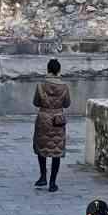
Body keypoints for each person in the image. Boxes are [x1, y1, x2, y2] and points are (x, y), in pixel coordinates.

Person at [32, 58, 71, 193]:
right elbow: (67, 104)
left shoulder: (41, 85)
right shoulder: (64, 86)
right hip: (57, 119)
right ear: (59, 70)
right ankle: (53, 183)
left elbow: (36, 102)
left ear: (48, 69)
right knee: (56, 151)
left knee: (41, 148)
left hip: (43, 118)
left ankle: (43, 176)